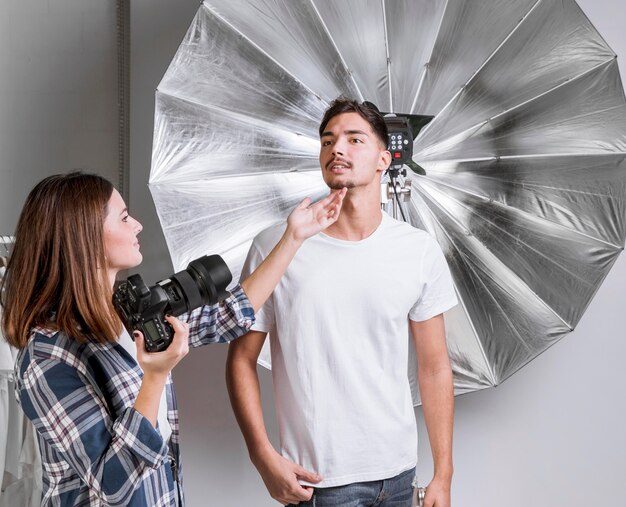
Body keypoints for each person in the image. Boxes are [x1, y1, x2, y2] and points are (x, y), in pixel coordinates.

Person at [0, 171, 345, 506]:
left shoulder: (128, 312)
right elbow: (114, 486)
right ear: (86, 237)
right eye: (123, 218)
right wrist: (155, 375)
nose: (137, 225)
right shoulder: (47, 357)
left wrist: (294, 237)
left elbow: (227, 316)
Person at [226, 98, 458, 507]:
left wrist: (443, 473)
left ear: (384, 159)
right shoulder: (278, 245)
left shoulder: (417, 250)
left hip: (400, 473)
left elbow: (435, 366)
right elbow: (241, 359)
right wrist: (262, 456)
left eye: (355, 140)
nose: (338, 149)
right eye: (328, 141)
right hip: (319, 480)